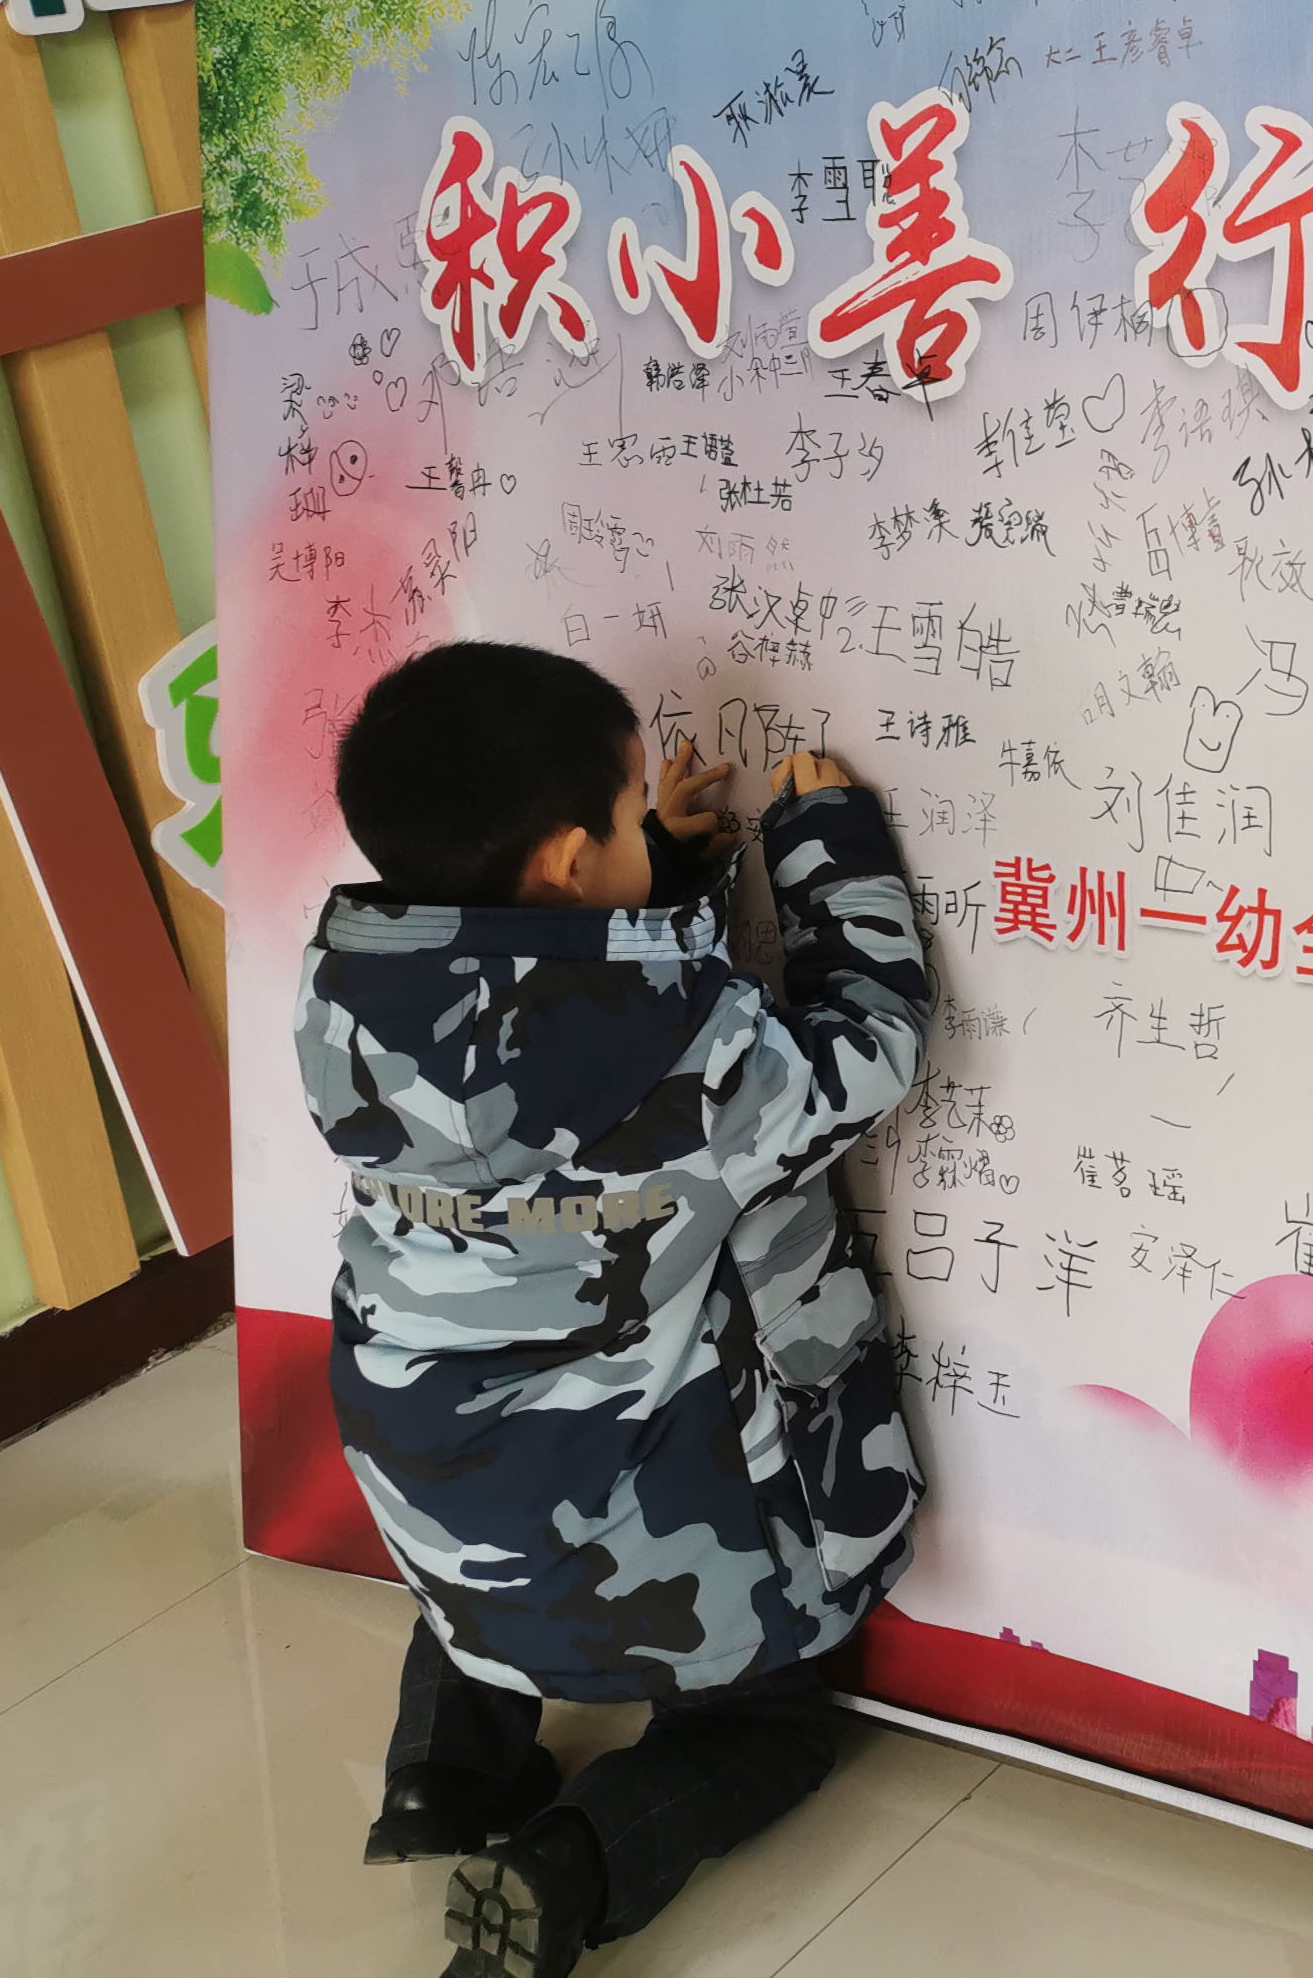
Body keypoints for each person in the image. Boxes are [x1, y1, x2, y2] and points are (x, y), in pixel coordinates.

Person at [302, 641, 930, 1978]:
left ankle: (440, 1780)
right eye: (634, 811)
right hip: (642, 1519)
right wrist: (825, 848)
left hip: (432, 1501)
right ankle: (572, 1867)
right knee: (768, 1725)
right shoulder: (695, 1061)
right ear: (569, 866)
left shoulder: (345, 1008)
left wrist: (665, 874)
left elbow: (539, 1025)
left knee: (485, 1588)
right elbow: (868, 1051)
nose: (654, 819)